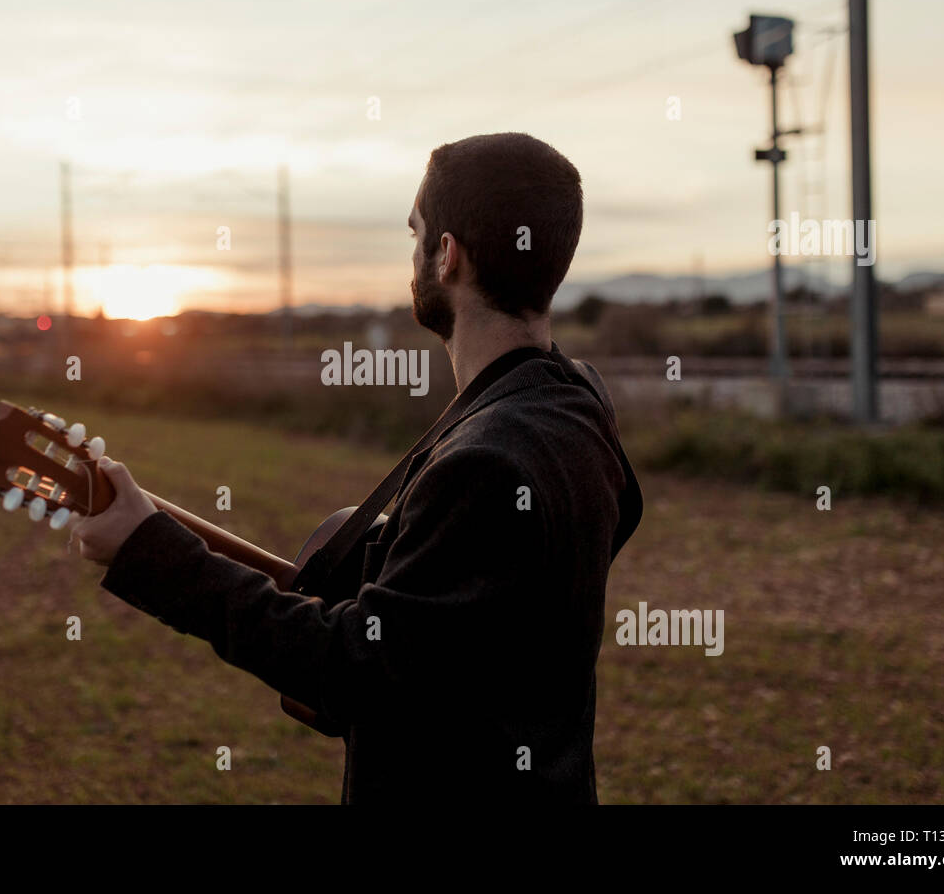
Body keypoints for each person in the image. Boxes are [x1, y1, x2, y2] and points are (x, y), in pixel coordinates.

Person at [72, 132, 642, 803]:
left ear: (448, 256)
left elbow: (357, 671)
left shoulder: (486, 462)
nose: (413, 256)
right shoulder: (577, 402)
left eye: (416, 233)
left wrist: (149, 552)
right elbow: (462, 620)